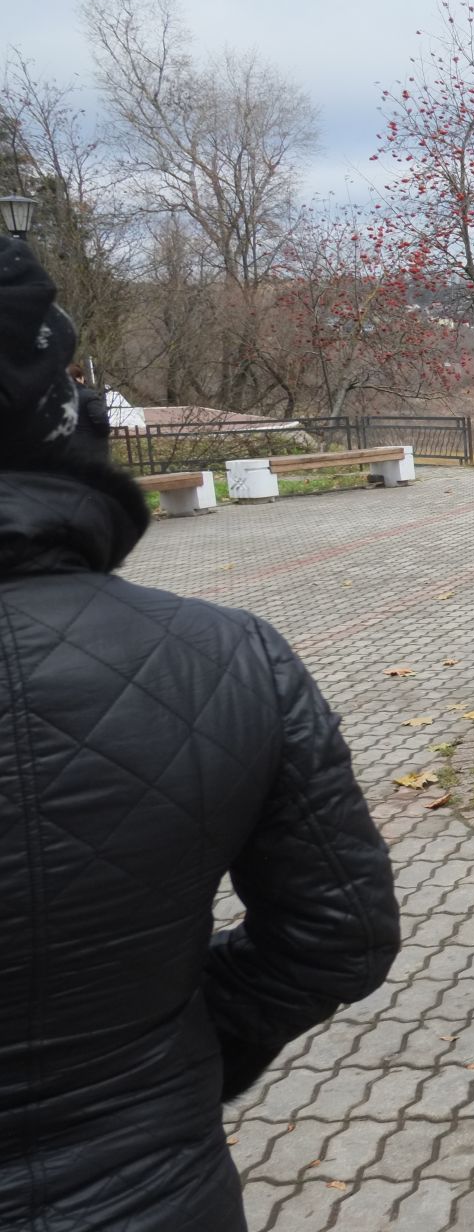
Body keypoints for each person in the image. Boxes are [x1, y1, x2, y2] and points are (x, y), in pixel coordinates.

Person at [0, 236, 401, 1231]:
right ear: (61, 421)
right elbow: (339, 933)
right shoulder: (228, 657)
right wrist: (172, 1054)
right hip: (154, 1188)